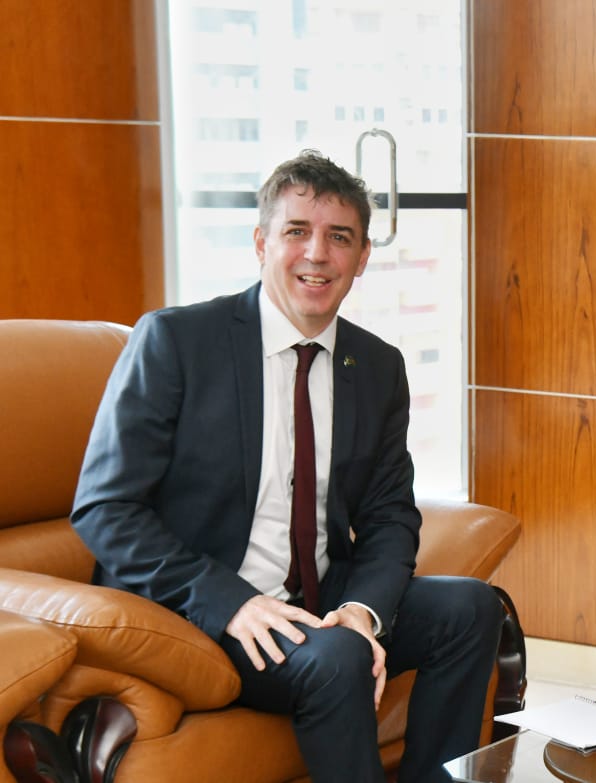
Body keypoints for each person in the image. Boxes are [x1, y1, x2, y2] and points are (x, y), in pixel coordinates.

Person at [71, 150, 503, 783]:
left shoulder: (376, 366)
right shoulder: (176, 342)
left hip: (319, 607)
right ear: (261, 243)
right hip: (200, 613)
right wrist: (232, 602)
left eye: (340, 237)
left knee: (471, 609)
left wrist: (361, 612)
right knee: (338, 658)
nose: (317, 254)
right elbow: (104, 510)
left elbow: (389, 515)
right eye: (297, 231)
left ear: (362, 257)